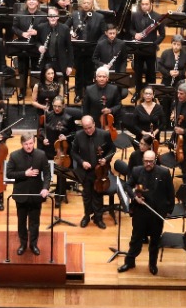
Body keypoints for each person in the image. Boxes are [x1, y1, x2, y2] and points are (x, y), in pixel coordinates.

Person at [119, 146, 174, 275]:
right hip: (140, 211)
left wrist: (168, 210)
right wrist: (134, 197)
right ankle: (130, 261)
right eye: (146, 161)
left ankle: (152, 264)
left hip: (156, 212)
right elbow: (127, 185)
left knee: (155, 240)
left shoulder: (164, 173)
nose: (148, 164)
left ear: (155, 160)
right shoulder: (137, 171)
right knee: (136, 238)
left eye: (151, 161)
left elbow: (170, 193)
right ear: (143, 160)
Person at [5, 132, 51, 255]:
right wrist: (24, 174)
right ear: (22, 144)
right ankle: (23, 244)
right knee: (21, 221)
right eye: (26, 144)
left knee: (34, 222)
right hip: (21, 194)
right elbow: (9, 174)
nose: (29, 146)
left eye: (31, 143)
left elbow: (47, 174)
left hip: (36, 194)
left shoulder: (41, 155)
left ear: (34, 142)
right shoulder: (14, 156)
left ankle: (33, 244)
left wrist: (45, 188)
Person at [71, 114, 113, 229]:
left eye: (90, 127)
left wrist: (106, 159)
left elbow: (112, 149)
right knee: (87, 195)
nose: (88, 130)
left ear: (94, 124)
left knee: (98, 194)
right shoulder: (79, 135)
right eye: (85, 128)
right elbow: (73, 152)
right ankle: (86, 216)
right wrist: (82, 162)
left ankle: (98, 218)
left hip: (99, 171)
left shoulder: (104, 134)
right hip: (85, 171)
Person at [126, 0, 163, 91]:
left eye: (147, 4)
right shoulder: (135, 15)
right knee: (138, 72)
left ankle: (151, 92)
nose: (144, 6)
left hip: (150, 49)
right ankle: (138, 92)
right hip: (138, 49)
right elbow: (130, 29)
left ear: (151, 5)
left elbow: (162, 35)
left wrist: (154, 44)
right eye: (143, 4)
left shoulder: (157, 17)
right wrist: (135, 34)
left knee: (151, 73)